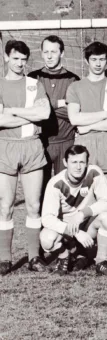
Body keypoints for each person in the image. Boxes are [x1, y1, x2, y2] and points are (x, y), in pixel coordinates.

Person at [0, 40, 50, 275]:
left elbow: (45, 113)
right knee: (5, 206)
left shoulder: (34, 84)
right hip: (6, 146)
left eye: (23, 59)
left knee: (34, 205)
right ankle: (4, 258)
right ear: (6, 57)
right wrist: (31, 115)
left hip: (32, 146)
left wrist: (12, 111)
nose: (20, 63)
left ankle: (33, 257)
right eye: (15, 58)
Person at [40, 145, 107, 276]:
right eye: (74, 162)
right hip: (66, 230)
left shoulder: (94, 172)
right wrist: (75, 232)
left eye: (82, 162)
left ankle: (101, 261)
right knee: (47, 239)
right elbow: (47, 218)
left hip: (87, 225)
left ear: (87, 163)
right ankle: (64, 257)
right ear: (65, 163)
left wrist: (83, 213)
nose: (78, 167)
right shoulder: (55, 183)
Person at [67, 41, 107, 189]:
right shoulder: (75, 87)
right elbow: (74, 118)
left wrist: (88, 127)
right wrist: (106, 114)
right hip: (85, 145)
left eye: (101, 59)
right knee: (86, 194)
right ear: (86, 61)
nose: (98, 64)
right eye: (94, 59)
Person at [28, 35, 80, 177]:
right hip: (40, 142)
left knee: (63, 185)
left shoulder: (73, 79)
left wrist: (46, 107)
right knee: (40, 188)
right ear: (41, 53)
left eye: (53, 52)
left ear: (62, 53)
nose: (49, 56)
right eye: (46, 52)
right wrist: (60, 103)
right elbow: (30, 108)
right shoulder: (32, 78)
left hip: (66, 142)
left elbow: (74, 113)